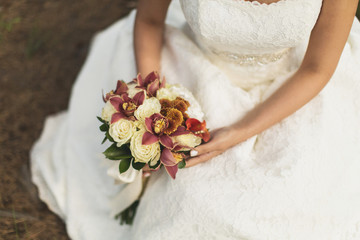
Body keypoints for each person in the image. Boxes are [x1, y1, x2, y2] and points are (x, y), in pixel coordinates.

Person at [31, 0, 360, 239]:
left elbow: (316, 70)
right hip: (195, 75)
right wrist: (152, 104)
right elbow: (148, 23)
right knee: (189, 201)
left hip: (292, 87)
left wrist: (238, 132)